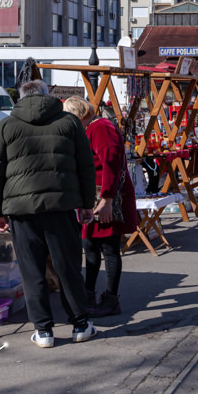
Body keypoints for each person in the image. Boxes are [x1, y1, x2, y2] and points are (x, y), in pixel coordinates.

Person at [0, 80, 98, 348]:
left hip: (21, 212)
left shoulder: (6, 126)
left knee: (32, 270)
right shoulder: (69, 123)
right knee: (67, 268)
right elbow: (86, 166)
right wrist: (86, 204)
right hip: (61, 206)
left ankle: (44, 330)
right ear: (48, 96)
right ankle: (80, 324)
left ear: (20, 97)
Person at [63, 95, 138, 318]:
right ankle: (88, 294)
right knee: (91, 247)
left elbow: (111, 163)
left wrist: (107, 199)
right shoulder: (95, 127)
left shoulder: (100, 128)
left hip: (104, 197)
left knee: (108, 248)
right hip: (94, 196)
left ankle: (110, 299)